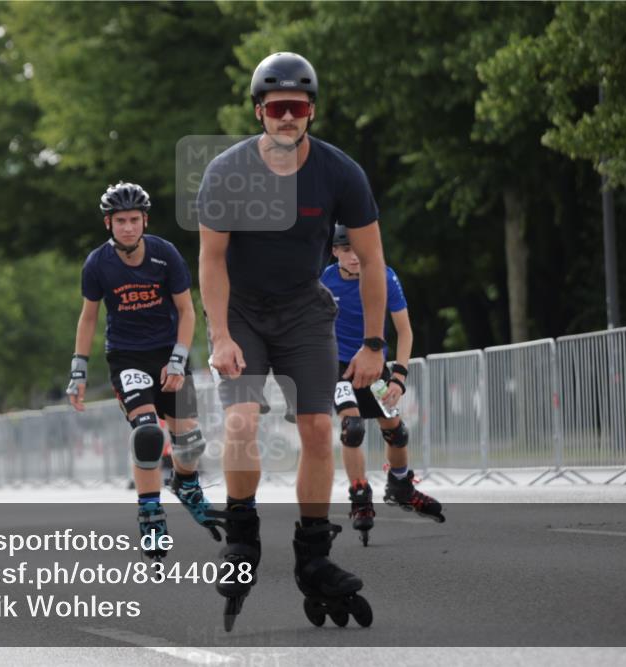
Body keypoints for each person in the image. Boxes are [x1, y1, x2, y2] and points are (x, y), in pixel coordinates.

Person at [197, 52, 383, 630]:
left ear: (311, 112)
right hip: (245, 311)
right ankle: (243, 541)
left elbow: (373, 260)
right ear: (260, 112)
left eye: (297, 108)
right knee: (241, 422)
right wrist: (221, 334)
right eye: (276, 107)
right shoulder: (226, 172)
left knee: (319, 427)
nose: (287, 117)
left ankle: (314, 557)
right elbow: (211, 259)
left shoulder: (339, 172)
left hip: (305, 310)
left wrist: (375, 342)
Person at [67, 182, 218, 560]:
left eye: (135, 220)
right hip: (127, 356)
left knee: (191, 443)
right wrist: (78, 370)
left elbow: (186, 310)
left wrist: (180, 358)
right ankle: (150, 512)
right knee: (148, 432)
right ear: (109, 224)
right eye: (121, 221)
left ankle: (185, 483)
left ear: (145, 220)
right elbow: (88, 319)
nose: (129, 227)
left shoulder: (165, 255)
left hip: (170, 353)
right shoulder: (98, 264)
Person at [323, 225, 444, 546]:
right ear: (334, 251)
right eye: (345, 250)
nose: (354, 257)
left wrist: (399, 377)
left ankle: (401, 485)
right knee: (353, 428)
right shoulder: (322, 281)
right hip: (338, 368)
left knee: (397, 430)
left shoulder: (384, 276)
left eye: (358, 249)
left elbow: (404, 331)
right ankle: (360, 494)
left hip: (374, 366)